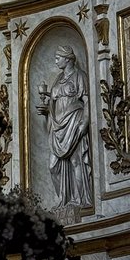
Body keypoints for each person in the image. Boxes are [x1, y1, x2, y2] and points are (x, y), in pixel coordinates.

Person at [36, 45, 93, 209]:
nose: (55, 61)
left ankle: (80, 201)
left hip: (74, 121)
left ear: (67, 58)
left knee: (76, 162)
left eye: (57, 58)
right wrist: (47, 110)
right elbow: (54, 103)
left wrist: (86, 121)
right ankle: (63, 199)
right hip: (57, 126)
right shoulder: (58, 78)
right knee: (53, 166)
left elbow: (87, 101)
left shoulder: (79, 76)